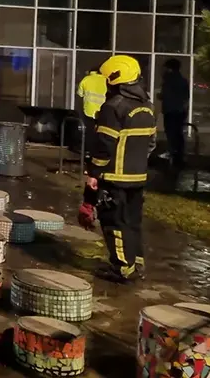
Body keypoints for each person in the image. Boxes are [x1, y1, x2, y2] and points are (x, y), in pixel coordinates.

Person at [82, 55, 156, 283]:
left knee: (114, 222)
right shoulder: (147, 107)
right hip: (138, 176)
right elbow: (151, 143)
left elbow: (105, 145)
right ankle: (136, 262)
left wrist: (94, 171)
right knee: (133, 221)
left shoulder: (113, 108)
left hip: (114, 177)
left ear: (115, 80)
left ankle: (122, 268)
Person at [158, 58, 190, 166]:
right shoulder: (183, 80)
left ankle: (171, 152)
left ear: (169, 68)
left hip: (170, 110)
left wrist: (161, 96)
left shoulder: (168, 80)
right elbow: (186, 96)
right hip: (180, 110)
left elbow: (165, 95)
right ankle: (179, 154)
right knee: (178, 133)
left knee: (171, 132)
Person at [75, 67, 108, 153]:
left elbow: (80, 94)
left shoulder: (86, 79)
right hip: (103, 111)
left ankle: (89, 150)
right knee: (102, 131)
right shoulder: (106, 80)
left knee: (89, 131)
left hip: (89, 110)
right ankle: (100, 150)